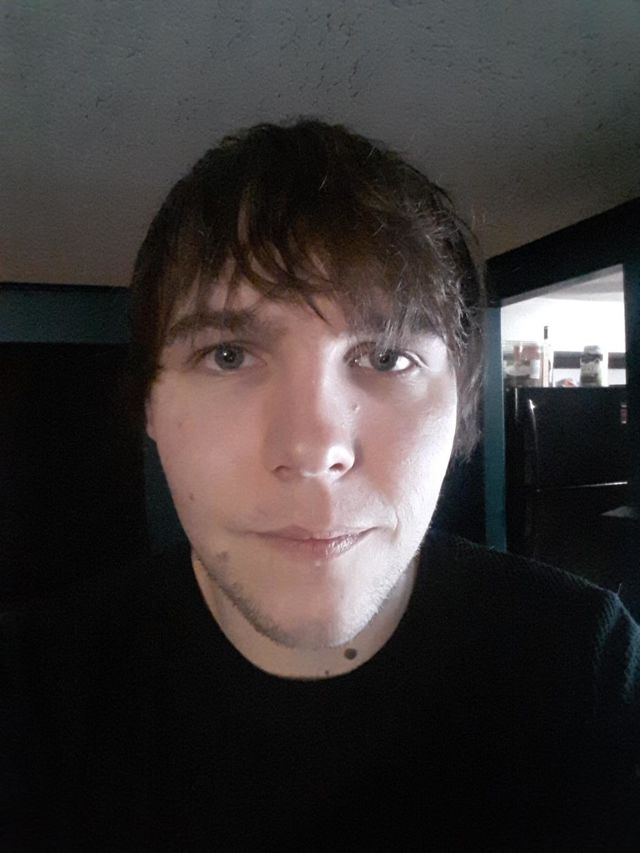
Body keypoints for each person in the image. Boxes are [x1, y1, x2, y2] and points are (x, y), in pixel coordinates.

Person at [3, 119, 639, 851]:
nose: (313, 449)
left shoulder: (582, 667)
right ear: (149, 402)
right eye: (229, 354)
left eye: (388, 356)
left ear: (464, 402)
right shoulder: (32, 698)